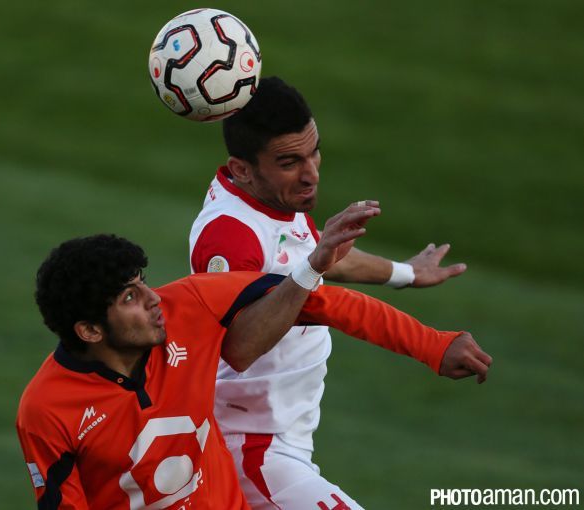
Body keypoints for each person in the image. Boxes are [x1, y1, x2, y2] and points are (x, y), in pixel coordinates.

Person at [16, 226, 490, 508]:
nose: (153, 298)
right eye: (129, 297)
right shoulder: (46, 410)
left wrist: (432, 344)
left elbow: (321, 301)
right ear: (89, 330)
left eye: (143, 283)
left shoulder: (191, 304)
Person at [189, 76, 489, 509]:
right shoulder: (230, 236)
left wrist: (406, 273)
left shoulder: (270, 199)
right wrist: (314, 266)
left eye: (314, 152)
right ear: (242, 169)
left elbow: (314, 254)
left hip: (279, 440)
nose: (311, 174)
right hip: (252, 449)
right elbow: (238, 347)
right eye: (290, 162)